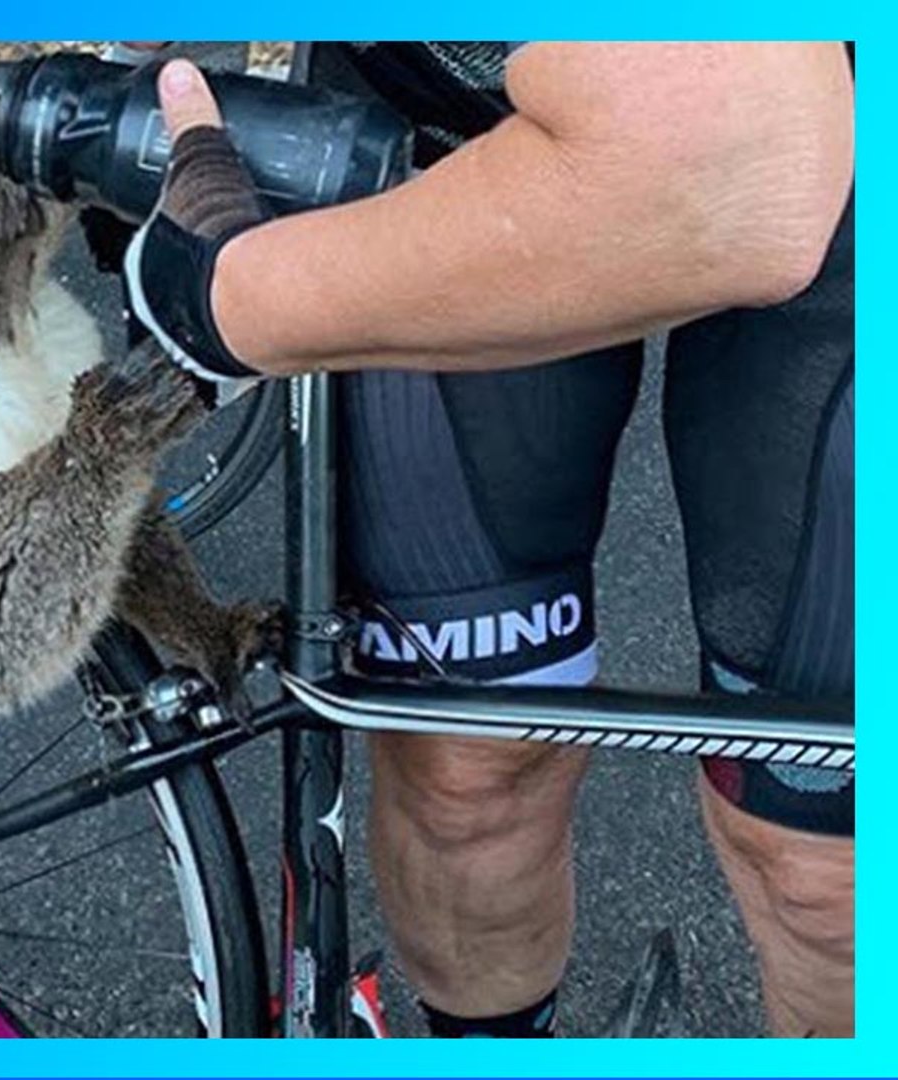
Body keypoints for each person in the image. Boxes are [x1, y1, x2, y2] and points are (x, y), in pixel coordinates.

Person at [127, 44, 854, 1037]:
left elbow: (732, 168)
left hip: (829, 141)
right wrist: (170, 84)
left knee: (826, 865)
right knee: (466, 771)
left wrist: (226, 300)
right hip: (446, 110)